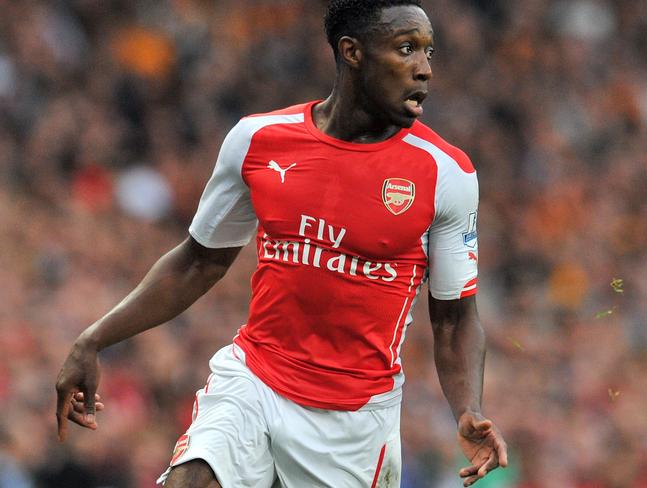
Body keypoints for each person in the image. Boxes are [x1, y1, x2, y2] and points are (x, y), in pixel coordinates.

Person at [55, 1, 508, 486]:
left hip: (352, 420)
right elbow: (196, 263)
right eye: (406, 49)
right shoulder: (259, 140)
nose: (425, 69)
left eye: (429, 52)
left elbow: (455, 317)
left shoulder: (445, 173)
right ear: (352, 52)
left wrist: (468, 409)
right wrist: (94, 338)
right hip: (255, 380)